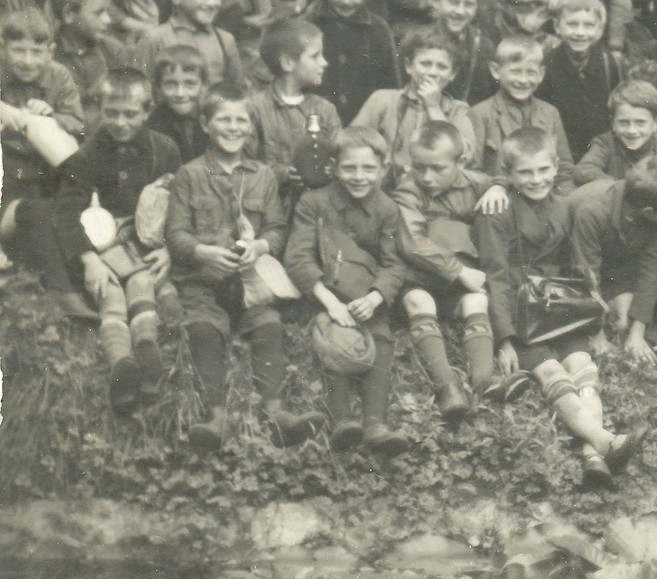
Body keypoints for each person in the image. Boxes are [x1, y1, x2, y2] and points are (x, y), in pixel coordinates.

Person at [475, 127, 649, 488]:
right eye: (525, 172)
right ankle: (603, 442)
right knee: (552, 372)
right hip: (521, 311)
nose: (536, 179)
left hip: (557, 307)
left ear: (556, 167)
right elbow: (495, 277)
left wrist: (592, 316)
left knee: (584, 368)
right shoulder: (499, 210)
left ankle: (592, 457)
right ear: (508, 174)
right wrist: (505, 338)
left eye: (543, 170)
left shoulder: (564, 205)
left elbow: (577, 265)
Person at [165, 82, 325, 452]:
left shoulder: (263, 175)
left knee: (269, 325)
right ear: (205, 124)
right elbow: (175, 234)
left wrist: (260, 246)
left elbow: (277, 230)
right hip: (203, 283)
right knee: (204, 328)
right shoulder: (189, 174)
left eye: (241, 120)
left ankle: (276, 413)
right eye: (224, 120)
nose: (233, 127)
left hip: (251, 285)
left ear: (251, 126)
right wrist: (203, 252)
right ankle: (216, 417)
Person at [52, 69, 181, 412]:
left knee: (142, 282)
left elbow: (179, 205)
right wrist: (89, 260)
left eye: (130, 114)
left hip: (144, 242)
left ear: (147, 110)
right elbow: (65, 214)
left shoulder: (163, 149)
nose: (120, 122)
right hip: (100, 244)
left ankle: (147, 351)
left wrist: (169, 248)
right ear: (98, 109)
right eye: (111, 113)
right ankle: (121, 363)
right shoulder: (86, 156)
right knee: (108, 290)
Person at [283, 126, 410, 456]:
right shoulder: (314, 202)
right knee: (335, 338)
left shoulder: (387, 209)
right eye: (349, 168)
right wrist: (330, 303)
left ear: (383, 168)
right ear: (334, 168)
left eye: (368, 168)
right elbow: (297, 257)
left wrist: (375, 297)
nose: (359, 176)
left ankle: (375, 424)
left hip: (367, 295)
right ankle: (342, 420)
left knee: (381, 337)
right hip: (325, 294)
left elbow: (394, 263)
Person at [392, 121, 511, 425]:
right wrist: (458, 270)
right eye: (419, 167)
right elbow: (412, 242)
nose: (427, 177)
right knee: (419, 301)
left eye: (438, 169)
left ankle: (484, 379)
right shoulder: (408, 191)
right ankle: (447, 386)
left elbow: (500, 178)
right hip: (419, 278)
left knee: (476, 301)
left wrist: (497, 187)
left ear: (460, 162)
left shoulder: (473, 182)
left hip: (455, 286)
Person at [569, 155, 657, 366]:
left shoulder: (653, 213)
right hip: (571, 267)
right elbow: (585, 273)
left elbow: (653, 270)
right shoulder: (593, 210)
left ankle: (615, 315)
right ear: (648, 212)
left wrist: (637, 332)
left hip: (612, 269)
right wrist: (597, 334)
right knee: (602, 324)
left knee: (625, 323)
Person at [0, 7, 86, 273]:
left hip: (43, 171)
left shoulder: (58, 75)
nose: (28, 61)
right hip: (7, 172)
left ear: (50, 51)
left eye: (37, 52)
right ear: (3, 47)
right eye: (18, 50)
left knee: (51, 212)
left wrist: (52, 115)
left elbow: (78, 124)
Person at [351, 27, 476, 186]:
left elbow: (465, 155)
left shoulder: (459, 110)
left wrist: (433, 108)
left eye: (442, 67)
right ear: (408, 66)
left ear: (452, 74)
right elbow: (352, 141)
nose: (432, 72)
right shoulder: (383, 100)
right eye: (425, 64)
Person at [247, 18, 341, 210]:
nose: (324, 62)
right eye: (315, 56)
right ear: (288, 63)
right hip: (271, 208)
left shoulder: (325, 109)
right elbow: (246, 164)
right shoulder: (254, 108)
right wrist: (281, 174)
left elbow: (340, 157)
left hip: (319, 208)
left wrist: (331, 169)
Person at [470, 35, 575, 193]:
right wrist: (497, 186)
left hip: (543, 198)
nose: (523, 80)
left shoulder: (550, 113)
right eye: (515, 72)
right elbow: (471, 171)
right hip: (500, 200)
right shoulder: (480, 114)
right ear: (495, 71)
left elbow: (564, 172)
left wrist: (566, 202)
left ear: (541, 74)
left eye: (531, 73)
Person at [305, 0, 400, 124]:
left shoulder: (378, 29)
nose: (347, 1)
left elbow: (390, 85)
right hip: (315, 121)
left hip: (364, 125)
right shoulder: (307, 24)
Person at [538, 0, 622, 162]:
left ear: (599, 30)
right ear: (557, 26)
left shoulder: (607, 62)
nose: (580, 33)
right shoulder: (548, 66)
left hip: (601, 154)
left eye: (588, 25)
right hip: (563, 155)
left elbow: (616, 107)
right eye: (572, 24)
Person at [131, 0, 244, 87]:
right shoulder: (156, 38)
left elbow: (237, 89)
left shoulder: (224, 40)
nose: (212, 3)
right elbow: (141, 89)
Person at [48, 0, 128, 127]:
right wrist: (92, 92)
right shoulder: (49, 52)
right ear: (69, 14)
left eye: (107, 12)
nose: (108, 20)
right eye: (98, 13)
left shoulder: (113, 49)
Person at [572, 79, 657, 186]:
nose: (631, 130)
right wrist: (623, 188)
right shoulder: (605, 143)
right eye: (623, 122)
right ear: (613, 122)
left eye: (640, 123)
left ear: (656, 123)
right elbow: (583, 171)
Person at [426, 0, 495, 105]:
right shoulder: (417, 41)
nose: (460, 11)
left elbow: (486, 94)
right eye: (453, 2)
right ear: (435, 0)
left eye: (468, 4)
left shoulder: (483, 46)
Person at [144, 44, 211, 162]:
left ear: (204, 85)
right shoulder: (153, 125)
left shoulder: (212, 117)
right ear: (159, 86)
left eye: (190, 84)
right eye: (170, 84)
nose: (180, 93)